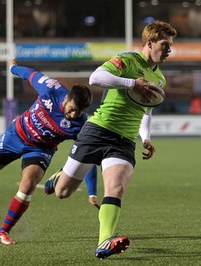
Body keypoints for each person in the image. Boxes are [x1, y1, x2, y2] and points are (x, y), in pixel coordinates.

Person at [44, 20, 177, 259]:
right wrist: (131, 82)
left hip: (124, 141)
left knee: (116, 187)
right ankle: (61, 175)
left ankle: (104, 241)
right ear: (149, 43)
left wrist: (145, 138)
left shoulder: (160, 80)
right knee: (63, 192)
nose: (169, 51)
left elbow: (146, 111)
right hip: (98, 131)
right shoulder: (127, 60)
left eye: (170, 46)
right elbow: (96, 77)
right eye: (165, 45)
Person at [0, 58, 97, 245]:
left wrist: (92, 192)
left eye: (79, 112)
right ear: (66, 98)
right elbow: (30, 75)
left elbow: (87, 157)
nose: (74, 115)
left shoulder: (80, 124)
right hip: (16, 135)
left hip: (40, 149)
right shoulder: (51, 88)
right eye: (73, 110)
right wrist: (13, 67)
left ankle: (3, 232)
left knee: (28, 186)